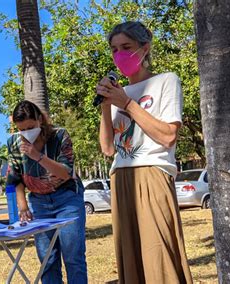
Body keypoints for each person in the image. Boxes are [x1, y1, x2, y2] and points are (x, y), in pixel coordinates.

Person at [96, 21, 193, 284]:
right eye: (114, 50)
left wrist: (127, 103)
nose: (120, 55)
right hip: (120, 178)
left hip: (152, 174)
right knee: (131, 259)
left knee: (158, 256)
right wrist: (107, 106)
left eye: (126, 47)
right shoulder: (119, 94)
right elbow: (107, 149)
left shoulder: (166, 81)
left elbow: (168, 136)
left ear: (145, 48)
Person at [6, 100, 88, 284]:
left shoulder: (60, 137)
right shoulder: (14, 143)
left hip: (67, 199)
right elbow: (15, 178)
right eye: (22, 129)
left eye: (30, 127)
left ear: (40, 120)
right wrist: (22, 206)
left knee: (73, 257)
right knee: (47, 260)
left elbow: (66, 173)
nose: (26, 132)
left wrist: (37, 155)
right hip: (39, 203)